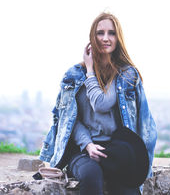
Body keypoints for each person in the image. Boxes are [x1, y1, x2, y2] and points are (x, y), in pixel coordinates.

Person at [39, 12, 157, 195]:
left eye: (111, 33)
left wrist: (90, 72)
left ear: (118, 38)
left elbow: (101, 104)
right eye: (100, 33)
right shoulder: (74, 75)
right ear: (92, 37)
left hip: (117, 152)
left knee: (127, 190)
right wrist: (88, 145)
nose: (105, 38)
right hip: (83, 151)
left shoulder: (126, 74)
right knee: (91, 174)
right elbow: (71, 120)